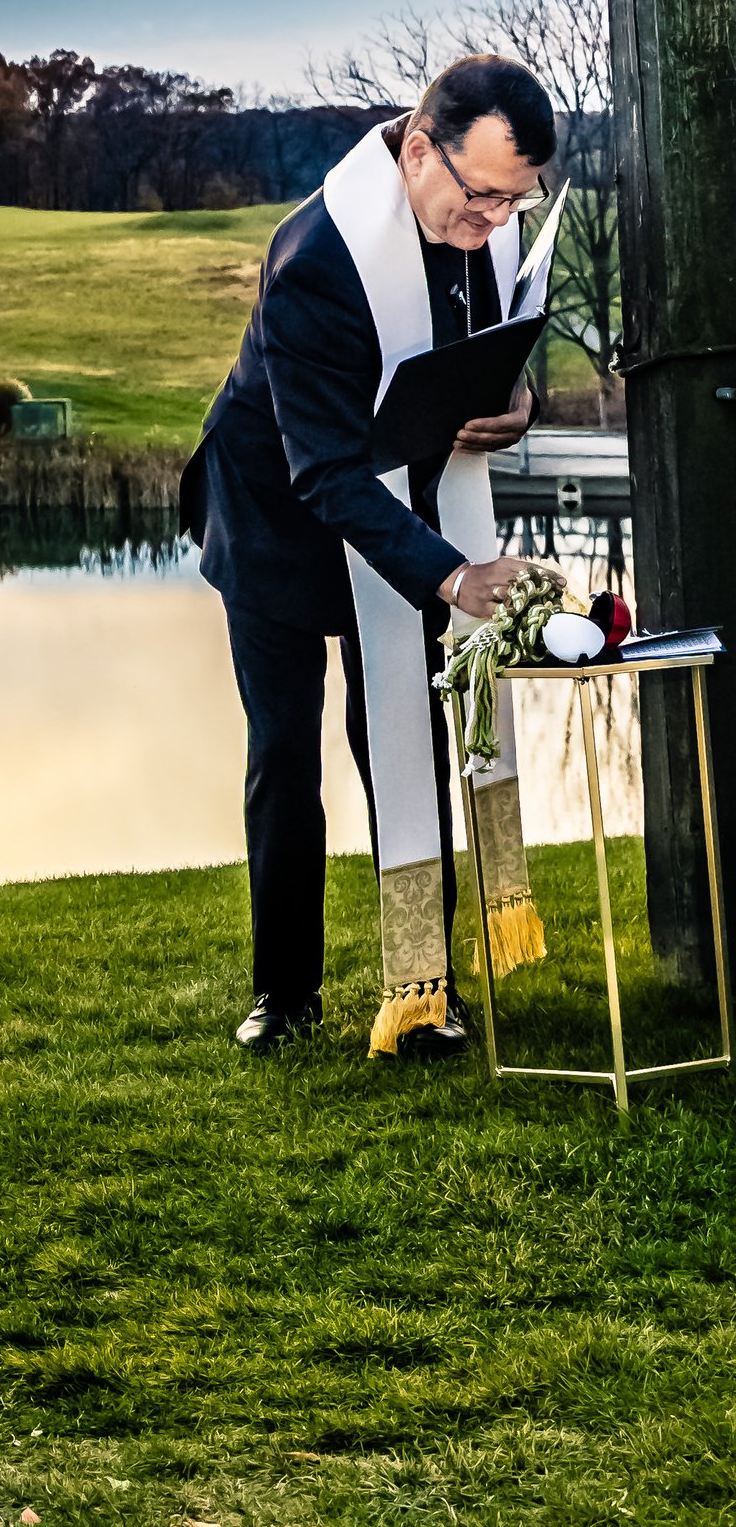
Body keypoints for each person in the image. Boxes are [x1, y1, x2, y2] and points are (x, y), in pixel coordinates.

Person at [182, 54, 558, 1059]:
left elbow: (499, 350)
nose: (490, 221)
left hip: (402, 507)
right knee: (285, 755)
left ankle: (421, 984)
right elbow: (325, 473)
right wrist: (452, 576)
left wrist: (519, 408)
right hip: (276, 514)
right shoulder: (312, 257)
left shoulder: (481, 221)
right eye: (478, 195)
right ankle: (284, 992)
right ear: (419, 149)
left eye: (511, 200)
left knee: (402, 734)